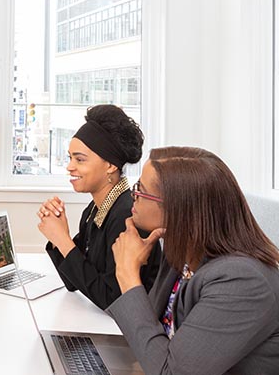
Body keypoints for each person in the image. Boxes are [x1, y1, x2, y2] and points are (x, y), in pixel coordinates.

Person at [108, 147, 279, 374]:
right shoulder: (180, 254)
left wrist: (127, 274)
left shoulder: (243, 282)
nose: (134, 195)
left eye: (141, 190)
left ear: (178, 209)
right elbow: (150, 339)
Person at [36, 105, 161, 309]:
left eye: (80, 159)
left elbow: (113, 300)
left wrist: (63, 240)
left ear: (110, 165)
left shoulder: (126, 217)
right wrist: (58, 236)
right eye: (70, 158)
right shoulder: (95, 210)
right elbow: (73, 281)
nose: (69, 167)